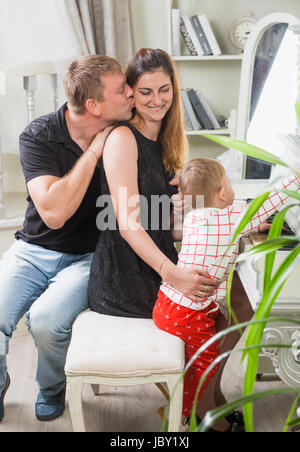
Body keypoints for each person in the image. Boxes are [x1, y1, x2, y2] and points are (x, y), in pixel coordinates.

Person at [0, 54, 135, 423]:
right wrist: (92, 151)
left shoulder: (126, 135)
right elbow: (54, 213)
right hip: (32, 249)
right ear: (94, 106)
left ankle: (51, 386)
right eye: (121, 89)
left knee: (45, 321)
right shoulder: (38, 135)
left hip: (89, 256)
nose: (131, 92)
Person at [153, 157, 300, 431]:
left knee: (205, 362)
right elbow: (272, 201)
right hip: (188, 315)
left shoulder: (197, 216)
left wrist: (253, 224)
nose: (231, 188)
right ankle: (203, 417)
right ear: (222, 193)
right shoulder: (234, 218)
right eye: (229, 184)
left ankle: (207, 404)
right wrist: (297, 176)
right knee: (204, 368)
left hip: (169, 304)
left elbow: (230, 226)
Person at [88, 48, 219, 322]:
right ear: (131, 94)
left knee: (236, 297)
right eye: (146, 91)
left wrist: (185, 210)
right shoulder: (123, 138)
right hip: (125, 280)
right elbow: (129, 225)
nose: (157, 100)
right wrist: (174, 274)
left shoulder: (168, 146)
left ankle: (203, 367)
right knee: (226, 305)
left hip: (158, 267)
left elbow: (169, 230)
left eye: (164, 89)